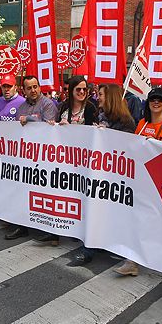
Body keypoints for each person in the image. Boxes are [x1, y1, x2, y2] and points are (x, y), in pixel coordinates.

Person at [114, 87, 162, 276]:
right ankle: (131, 261)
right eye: (153, 100)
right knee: (136, 220)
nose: (156, 103)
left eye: (160, 99)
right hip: (141, 179)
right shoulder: (141, 124)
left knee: (160, 223)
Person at [71, 83, 137, 265]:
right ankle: (89, 249)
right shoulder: (101, 116)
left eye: (100, 94)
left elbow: (125, 151)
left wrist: (106, 136)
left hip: (115, 179)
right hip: (98, 174)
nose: (97, 97)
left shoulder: (127, 122)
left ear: (111, 98)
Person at [35, 76, 97, 246]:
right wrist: (53, 124)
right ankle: (54, 233)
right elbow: (54, 126)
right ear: (71, 91)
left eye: (85, 89)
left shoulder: (91, 108)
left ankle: (83, 235)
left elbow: (95, 133)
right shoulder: (63, 106)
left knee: (80, 197)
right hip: (63, 159)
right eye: (78, 89)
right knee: (59, 193)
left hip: (83, 161)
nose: (82, 92)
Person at [5, 75, 58, 240]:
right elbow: (17, 127)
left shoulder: (48, 104)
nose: (33, 90)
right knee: (23, 191)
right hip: (27, 156)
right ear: (24, 90)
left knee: (46, 193)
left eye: (35, 86)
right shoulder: (21, 107)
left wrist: (28, 119)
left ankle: (51, 231)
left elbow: (47, 123)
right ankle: (23, 226)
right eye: (29, 88)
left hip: (46, 158)